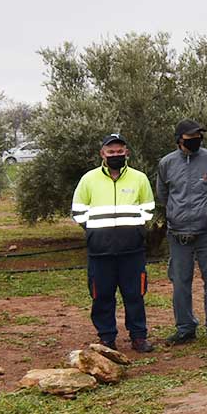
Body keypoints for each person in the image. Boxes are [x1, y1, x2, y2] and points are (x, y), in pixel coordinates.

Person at [73, 133, 156, 353]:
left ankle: (138, 337)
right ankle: (106, 338)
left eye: (120, 151)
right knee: (101, 296)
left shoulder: (139, 178)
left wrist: (136, 230)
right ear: (102, 154)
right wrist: (93, 231)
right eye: (111, 152)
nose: (116, 155)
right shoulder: (88, 179)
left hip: (132, 250)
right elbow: (78, 211)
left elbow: (148, 208)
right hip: (100, 251)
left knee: (134, 295)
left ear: (126, 152)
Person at [158, 118, 207, 345]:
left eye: (199, 137)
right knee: (180, 281)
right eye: (191, 138)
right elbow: (163, 195)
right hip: (178, 234)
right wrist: (174, 215)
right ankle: (185, 327)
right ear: (179, 140)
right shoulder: (166, 163)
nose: (196, 141)